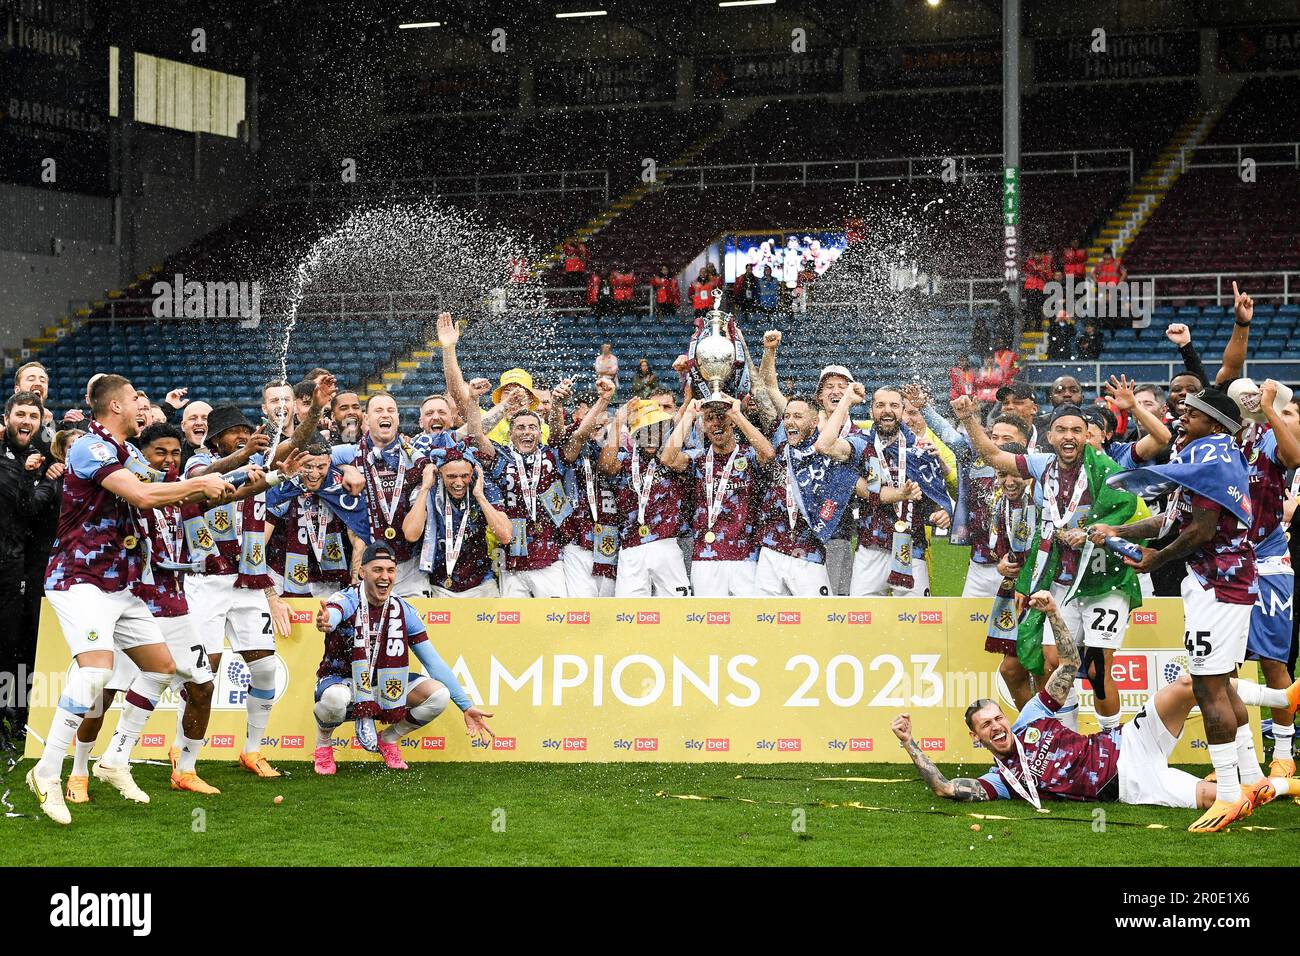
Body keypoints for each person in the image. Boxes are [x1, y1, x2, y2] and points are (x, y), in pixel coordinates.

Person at [27, 374, 232, 825]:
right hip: (78, 578)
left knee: (160, 667)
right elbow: (143, 494)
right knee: (96, 672)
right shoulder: (90, 447)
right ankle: (48, 770)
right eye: (134, 401)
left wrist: (251, 467)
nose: (143, 408)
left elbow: (170, 482)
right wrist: (198, 489)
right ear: (115, 407)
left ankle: (114, 761)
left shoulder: (126, 452)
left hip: (120, 585)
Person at [893, 589, 1300, 815]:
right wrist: (909, 743)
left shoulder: (1032, 716)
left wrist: (1054, 611)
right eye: (987, 726)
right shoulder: (1004, 781)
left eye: (997, 717)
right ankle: (1280, 785)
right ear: (976, 738)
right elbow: (947, 788)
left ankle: (1281, 697)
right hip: (1130, 784)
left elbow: (1070, 663)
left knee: (1193, 685)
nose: (997, 726)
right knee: (1225, 801)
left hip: (1129, 742)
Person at [1092, 387, 1270, 831]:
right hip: (1222, 584)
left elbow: (1201, 531)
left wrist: (1155, 558)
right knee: (1222, 686)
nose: (1180, 416)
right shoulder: (1207, 455)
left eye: (1191, 413)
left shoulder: (1211, 458)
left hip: (1218, 584)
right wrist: (1122, 530)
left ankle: (1229, 795)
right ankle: (1252, 779)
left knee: (1209, 689)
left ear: (1215, 422)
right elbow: (1173, 521)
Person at [956, 394, 1142, 733]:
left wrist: (1087, 532)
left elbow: (1126, 507)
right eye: (1061, 430)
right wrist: (969, 419)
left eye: (1076, 430)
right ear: (1050, 437)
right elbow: (994, 455)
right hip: (1061, 582)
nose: (1068, 436)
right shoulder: (1041, 464)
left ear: (1087, 435)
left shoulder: (1105, 469)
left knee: (1098, 669)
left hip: (1103, 581)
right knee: (1053, 665)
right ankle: (1064, 740)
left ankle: (1112, 742)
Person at [68, 422, 229, 801]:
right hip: (133, 603)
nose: (171, 460)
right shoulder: (132, 491)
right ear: (142, 456)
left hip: (174, 603)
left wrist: (270, 473)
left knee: (202, 687)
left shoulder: (180, 495)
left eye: (176, 453)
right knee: (103, 694)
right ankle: (78, 772)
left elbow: (219, 490)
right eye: (161, 452)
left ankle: (184, 770)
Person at [184, 400, 311, 778]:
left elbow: (294, 443)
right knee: (203, 672)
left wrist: (316, 409)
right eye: (235, 433)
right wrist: (244, 455)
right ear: (217, 438)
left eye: (246, 431)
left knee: (266, 669)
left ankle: (253, 750)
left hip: (248, 579)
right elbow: (203, 481)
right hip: (207, 579)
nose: (244, 437)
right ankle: (182, 750)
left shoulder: (259, 463)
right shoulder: (196, 464)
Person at [311, 541, 495, 774]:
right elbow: (335, 612)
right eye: (377, 570)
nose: (385, 577)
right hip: (343, 683)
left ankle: (388, 739)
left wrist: (466, 706)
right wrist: (328, 621)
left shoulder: (402, 609)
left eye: (390, 570)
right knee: (335, 699)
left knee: (439, 695)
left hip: (384, 686)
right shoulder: (346, 599)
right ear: (362, 572)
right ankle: (324, 745)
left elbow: (433, 662)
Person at [818, 384, 952, 597]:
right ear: (871, 410)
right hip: (870, 548)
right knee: (861, 623)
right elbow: (824, 446)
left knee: (915, 623)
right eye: (880, 405)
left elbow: (937, 496)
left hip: (911, 548)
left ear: (902, 411)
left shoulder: (920, 450)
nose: (887, 410)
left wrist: (943, 511)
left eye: (894, 405)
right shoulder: (861, 444)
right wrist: (846, 401)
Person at [660, 394, 774, 597]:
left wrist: (738, 414)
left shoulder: (748, 456)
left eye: (722, 416)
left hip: (745, 557)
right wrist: (689, 416)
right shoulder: (698, 459)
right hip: (705, 557)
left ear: (731, 421)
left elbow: (768, 453)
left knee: (748, 622)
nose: (716, 423)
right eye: (710, 418)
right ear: (703, 425)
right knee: (708, 624)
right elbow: (668, 459)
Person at [0, 391, 62, 745]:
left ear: (41, 422)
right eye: (20, 414)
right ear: (7, 416)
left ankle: (18, 718)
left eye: (32, 416)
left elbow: (31, 514)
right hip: (11, 566)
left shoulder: (44, 462)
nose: (26, 421)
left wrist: (49, 478)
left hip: (19, 570)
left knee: (17, 647)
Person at [598, 398, 692, 597]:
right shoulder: (624, 460)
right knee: (629, 615)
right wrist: (617, 422)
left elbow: (676, 459)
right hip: (631, 548)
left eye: (656, 429)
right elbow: (605, 466)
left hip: (667, 544)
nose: (650, 436)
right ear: (635, 434)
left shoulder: (671, 457)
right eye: (644, 430)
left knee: (678, 611)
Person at [404, 446, 511, 598]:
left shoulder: (486, 488)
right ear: (440, 474)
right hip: (438, 585)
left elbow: (505, 535)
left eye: (464, 476)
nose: (459, 483)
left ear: (472, 473)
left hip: (481, 583)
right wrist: (425, 488)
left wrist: (480, 496)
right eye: (452, 476)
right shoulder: (428, 489)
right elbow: (411, 534)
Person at [179, 400, 211, 468]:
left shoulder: (225, 452)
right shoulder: (174, 454)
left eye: (205, 418)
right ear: (183, 426)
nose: (199, 423)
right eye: (193, 418)